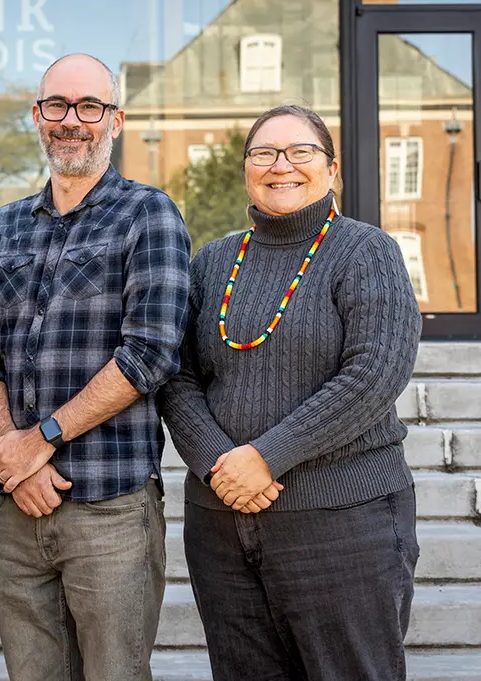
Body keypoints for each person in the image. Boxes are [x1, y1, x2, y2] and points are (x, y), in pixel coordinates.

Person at [161, 104, 421, 680]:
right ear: (246, 170)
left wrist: (266, 457)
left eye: (301, 152)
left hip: (342, 525)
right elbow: (177, 377)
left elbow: (374, 373)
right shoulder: (212, 263)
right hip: (221, 528)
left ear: (333, 172)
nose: (282, 165)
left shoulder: (366, 251)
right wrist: (218, 465)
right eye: (264, 153)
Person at [0, 53, 191, 681]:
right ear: (37, 117)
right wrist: (13, 453)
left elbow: (149, 353)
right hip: (18, 510)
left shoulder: (149, 215)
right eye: (57, 106)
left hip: (110, 504)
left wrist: (39, 440)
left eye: (89, 106)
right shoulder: (2, 227)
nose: (73, 120)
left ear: (114, 120)